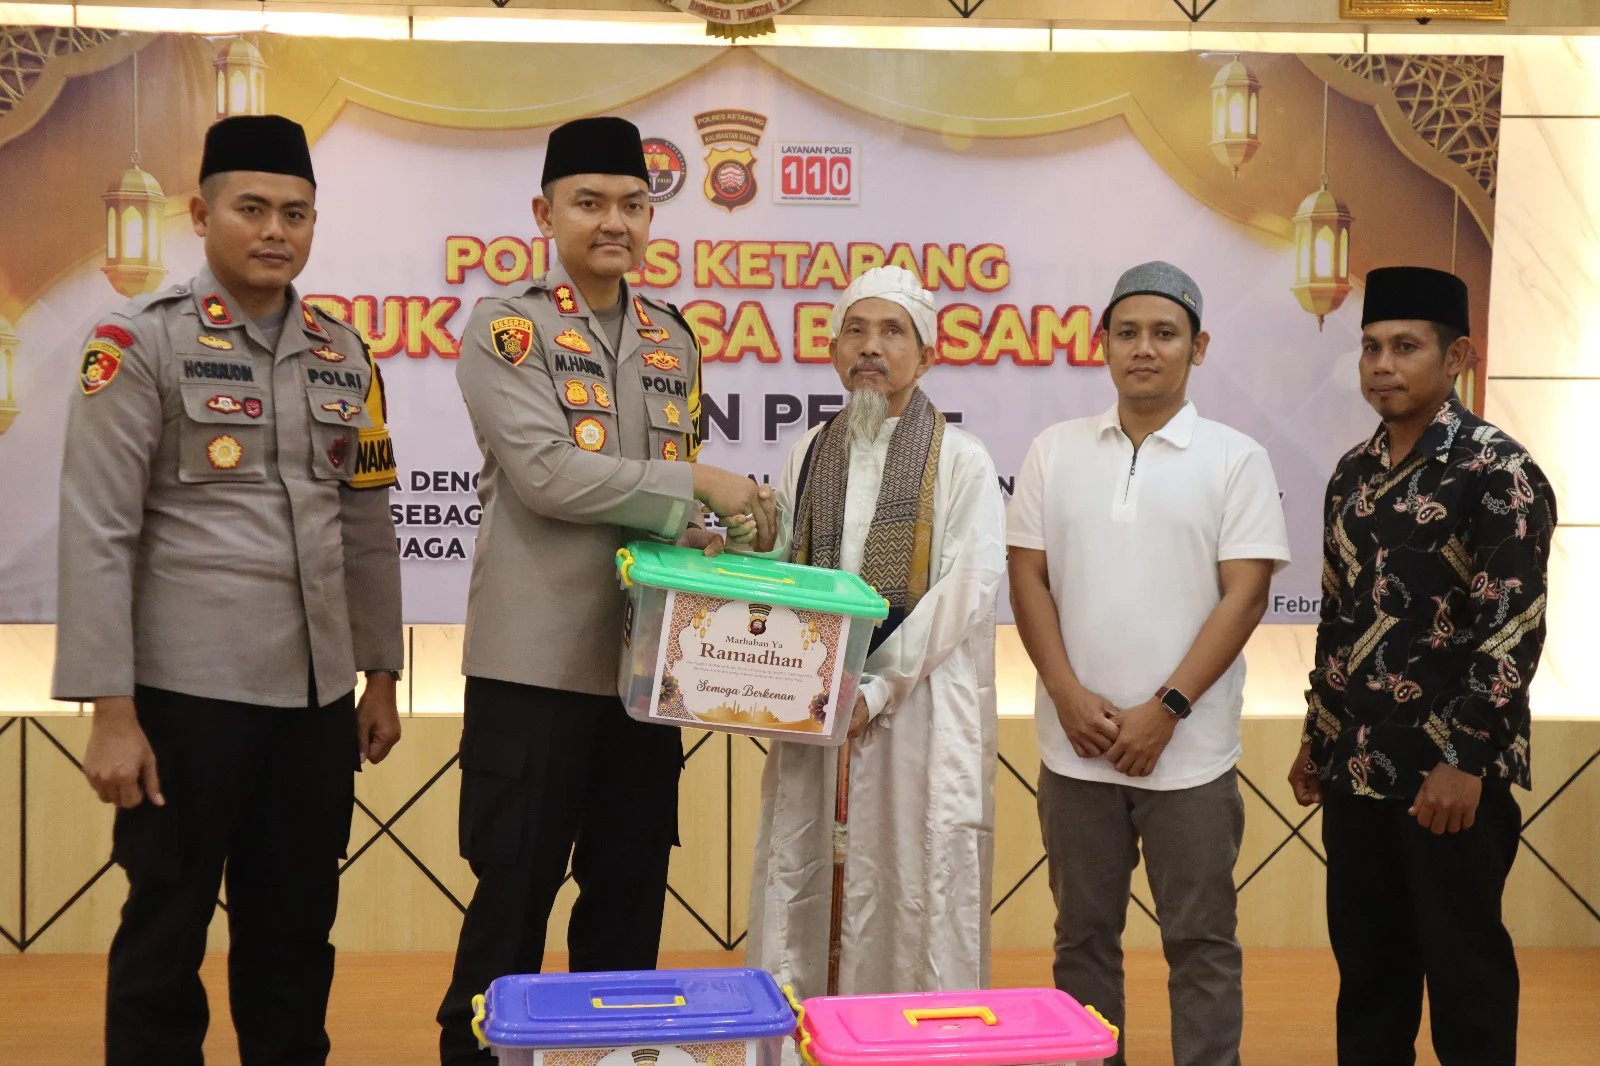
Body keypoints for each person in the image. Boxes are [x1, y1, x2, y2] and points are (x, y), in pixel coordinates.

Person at [55, 114, 404, 1066]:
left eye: (296, 213)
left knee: (296, 936)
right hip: (184, 700)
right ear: (202, 214)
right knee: (164, 936)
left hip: (314, 705)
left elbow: (366, 526)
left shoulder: (344, 353)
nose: (275, 231)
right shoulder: (137, 342)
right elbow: (98, 532)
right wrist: (110, 711)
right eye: (252, 209)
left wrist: (380, 674)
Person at [438, 116, 775, 1065]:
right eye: (589, 202)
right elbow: (547, 475)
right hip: (534, 670)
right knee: (512, 902)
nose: (614, 221)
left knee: (628, 909)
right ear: (545, 213)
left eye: (633, 204)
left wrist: (717, 533)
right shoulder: (508, 327)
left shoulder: (673, 337)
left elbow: (657, 504)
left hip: (647, 672)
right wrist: (697, 483)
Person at [1008, 262, 1290, 1066]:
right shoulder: (1054, 451)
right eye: (1127, 332)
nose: (1144, 348)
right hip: (1077, 747)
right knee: (1082, 939)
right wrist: (1065, 692)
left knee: (1201, 940)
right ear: (1102, 344)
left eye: (1165, 333)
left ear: (1198, 347)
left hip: (1189, 755)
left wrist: (1167, 709)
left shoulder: (1236, 458)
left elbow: (1245, 594)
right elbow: (1026, 575)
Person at [1289, 266, 1555, 1066]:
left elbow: (1512, 629)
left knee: (1467, 987)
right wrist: (1319, 736)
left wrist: (1464, 761)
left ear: (1458, 357)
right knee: (1369, 985)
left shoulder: (1497, 471)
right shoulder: (1352, 473)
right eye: (1371, 347)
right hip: (1358, 771)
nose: (1382, 365)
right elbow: (1339, 619)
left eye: (1405, 347)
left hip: (1452, 784)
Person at [742, 265, 1008, 1001]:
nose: (870, 347)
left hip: (919, 711)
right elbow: (781, 568)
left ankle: (907, 1043)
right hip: (815, 708)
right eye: (855, 330)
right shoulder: (809, 452)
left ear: (926, 355)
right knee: (803, 872)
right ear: (833, 350)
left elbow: (966, 590)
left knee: (915, 881)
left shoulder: (961, 459)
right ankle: (803, 1037)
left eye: (893, 332)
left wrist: (876, 687)